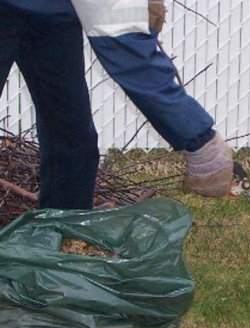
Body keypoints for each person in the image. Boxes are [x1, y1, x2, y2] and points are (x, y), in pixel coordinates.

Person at [0, 0, 234, 210]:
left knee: (70, 133)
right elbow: (124, 40)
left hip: (52, 13)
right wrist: (200, 141)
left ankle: (64, 231)